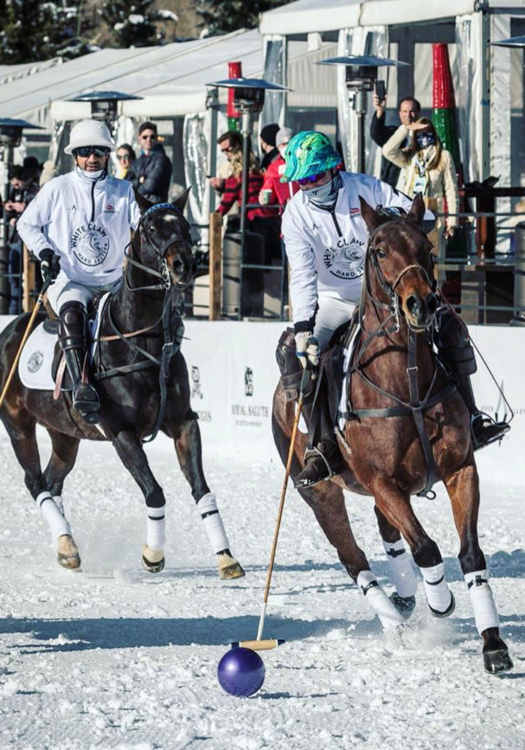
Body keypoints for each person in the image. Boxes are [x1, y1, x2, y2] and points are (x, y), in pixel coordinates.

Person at [279, 130, 508, 488]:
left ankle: (473, 419)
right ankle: (322, 445)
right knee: (305, 357)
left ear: (333, 168)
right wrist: (304, 326)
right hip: (336, 301)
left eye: (315, 176)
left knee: (451, 330)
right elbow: (303, 274)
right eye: (302, 179)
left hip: (390, 293)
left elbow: (422, 217)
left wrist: (396, 220)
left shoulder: (366, 187)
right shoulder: (295, 215)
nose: (310, 185)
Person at [18, 119, 141, 424]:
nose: (92, 157)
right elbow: (26, 224)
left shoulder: (123, 190)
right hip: (72, 281)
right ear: (75, 155)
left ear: (107, 154)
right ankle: (82, 387)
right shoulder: (57, 188)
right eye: (85, 151)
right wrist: (44, 251)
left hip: (114, 281)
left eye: (98, 150)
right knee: (73, 314)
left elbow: (144, 225)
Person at [382, 117, 459, 242]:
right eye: (420, 133)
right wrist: (405, 128)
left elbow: (451, 190)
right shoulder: (410, 155)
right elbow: (387, 151)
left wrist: (452, 221)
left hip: (433, 212)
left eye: (427, 131)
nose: (424, 136)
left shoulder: (444, 156)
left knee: (433, 255)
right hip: (409, 212)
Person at [3, 165, 40, 314]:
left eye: (17, 183)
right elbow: (8, 213)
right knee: (14, 279)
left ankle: (35, 312)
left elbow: (38, 209)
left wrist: (23, 207)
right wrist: (9, 211)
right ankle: (14, 312)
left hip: (29, 242)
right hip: (15, 240)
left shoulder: (34, 190)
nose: (16, 187)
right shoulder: (15, 191)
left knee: (34, 280)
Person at [370, 95, 421, 187]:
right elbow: (376, 134)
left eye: (412, 111)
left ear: (418, 113)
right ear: (399, 113)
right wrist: (380, 110)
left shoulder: (425, 136)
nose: (408, 115)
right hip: (394, 185)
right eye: (405, 111)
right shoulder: (395, 133)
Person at [126, 121, 172, 204]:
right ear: (139, 139)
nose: (148, 140)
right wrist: (139, 181)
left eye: (152, 137)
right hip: (138, 208)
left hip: (155, 209)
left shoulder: (162, 160)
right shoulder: (137, 162)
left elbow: (150, 185)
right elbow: (126, 185)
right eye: (145, 137)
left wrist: (134, 188)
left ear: (156, 138)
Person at [259, 126, 299, 210]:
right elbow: (268, 188)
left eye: (290, 143)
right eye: (283, 144)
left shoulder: (304, 162)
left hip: (307, 211)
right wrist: (264, 197)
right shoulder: (274, 167)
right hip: (286, 212)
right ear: (278, 147)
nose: (287, 147)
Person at [209, 130, 243, 197]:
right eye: (223, 150)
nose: (225, 153)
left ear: (237, 145)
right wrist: (218, 186)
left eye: (227, 149)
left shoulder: (248, 162)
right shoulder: (224, 168)